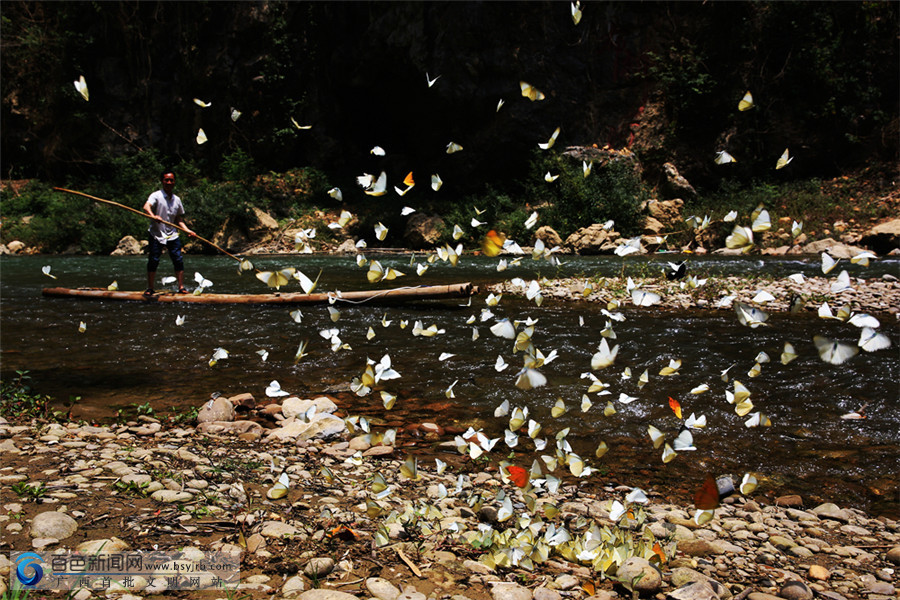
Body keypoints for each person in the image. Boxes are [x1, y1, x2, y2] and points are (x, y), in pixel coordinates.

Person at [143, 170, 196, 295]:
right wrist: (153, 216)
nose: (169, 182)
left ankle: (181, 287)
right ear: (162, 181)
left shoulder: (177, 199)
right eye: (166, 180)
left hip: (172, 234)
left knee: (178, 259)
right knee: (154, 260)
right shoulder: (156, 195)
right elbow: (146, 207)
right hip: (157, 234)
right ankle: (150, 288)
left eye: (171, 180)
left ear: (174, 182)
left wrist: (187, 230)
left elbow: (178, 219)